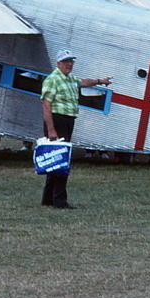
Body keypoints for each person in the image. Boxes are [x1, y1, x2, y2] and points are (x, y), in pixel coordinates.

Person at [40, 49, 111, 209]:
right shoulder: (52, 80)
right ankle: (60, 200)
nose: (69, 64)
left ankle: (48, 198)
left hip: (68, 121)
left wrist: (100, 81)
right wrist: (51, 130)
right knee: (62, 160)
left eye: (71, 61)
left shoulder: (70, 78)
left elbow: (84, 82)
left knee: (56, 159)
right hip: (57, 120)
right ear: (58, 63)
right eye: (66, 62)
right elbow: (46, 105)